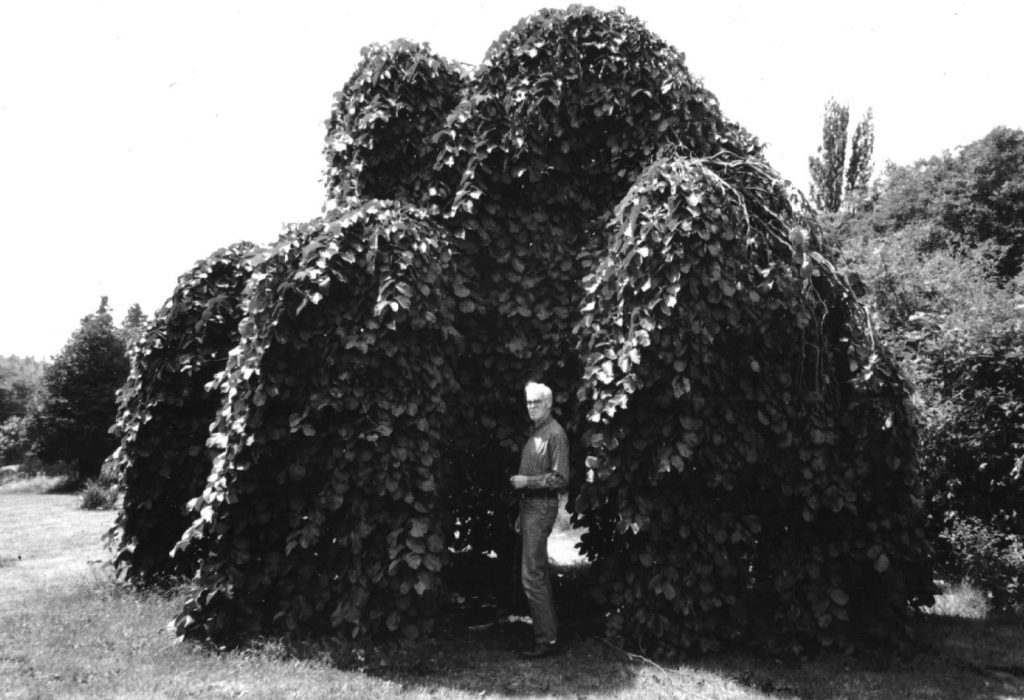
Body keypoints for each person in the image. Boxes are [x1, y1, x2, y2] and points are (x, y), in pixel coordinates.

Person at [509, 381, 569, 658]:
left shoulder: (555, 434)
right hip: (530, 508)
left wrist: (526, 482)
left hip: (541, 507)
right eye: (528, 402)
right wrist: (523, 512)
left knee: (531, 576)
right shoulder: (537, 431)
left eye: (536, 401)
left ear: (548, 403)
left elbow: (560, 478)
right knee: (537, 573)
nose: (531, 406)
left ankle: (546, 641)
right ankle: (548, 635)